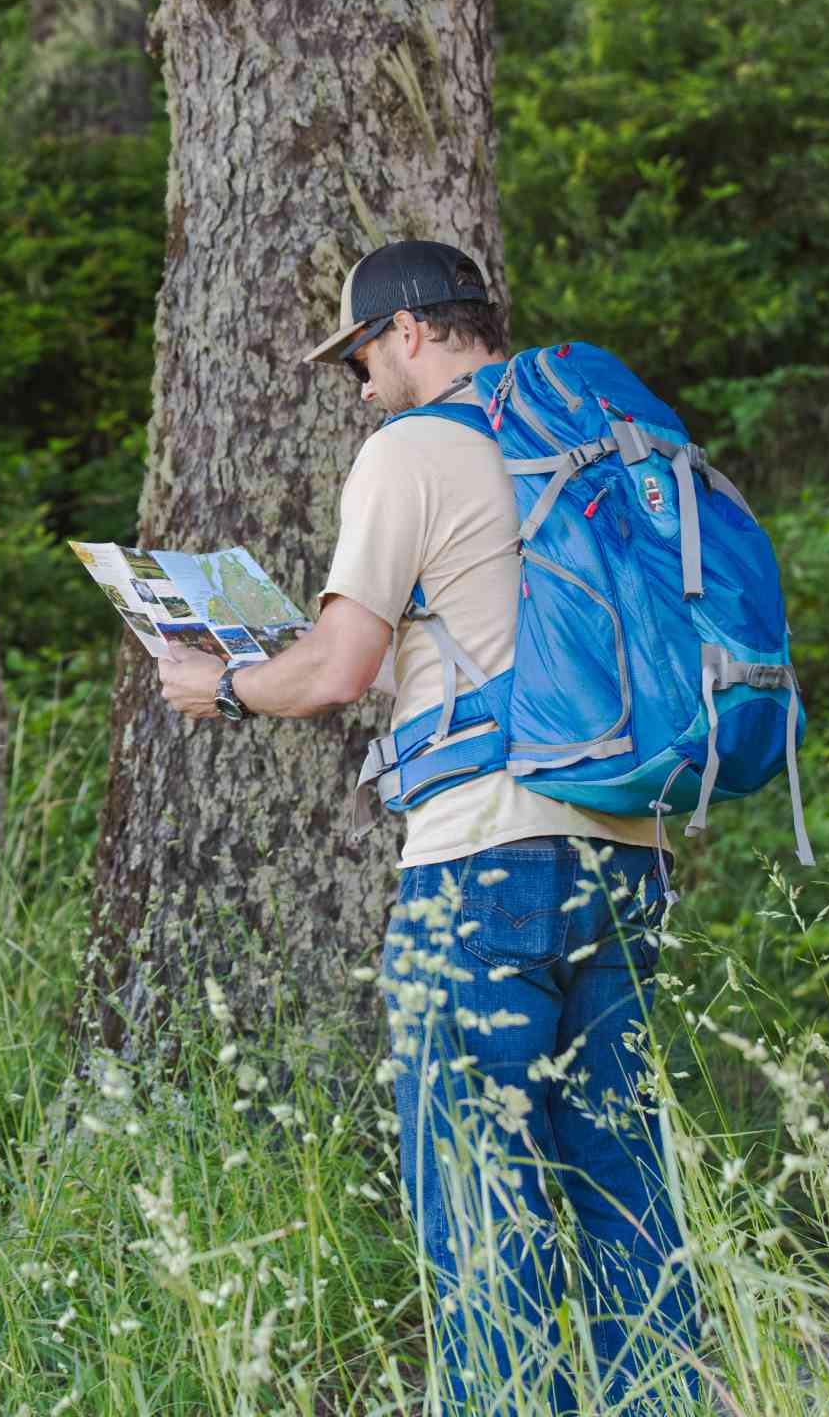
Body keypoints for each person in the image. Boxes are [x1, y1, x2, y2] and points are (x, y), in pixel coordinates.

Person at [152, 240, 701, 1416]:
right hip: (625, 849)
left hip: (483, 860)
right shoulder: (586, 435)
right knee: (626, 1192)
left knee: (479, 1203)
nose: (358, 382)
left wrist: (225, 689)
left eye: (360, 352)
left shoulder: (414, 451)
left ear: (409, 333)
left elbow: (339, 669)